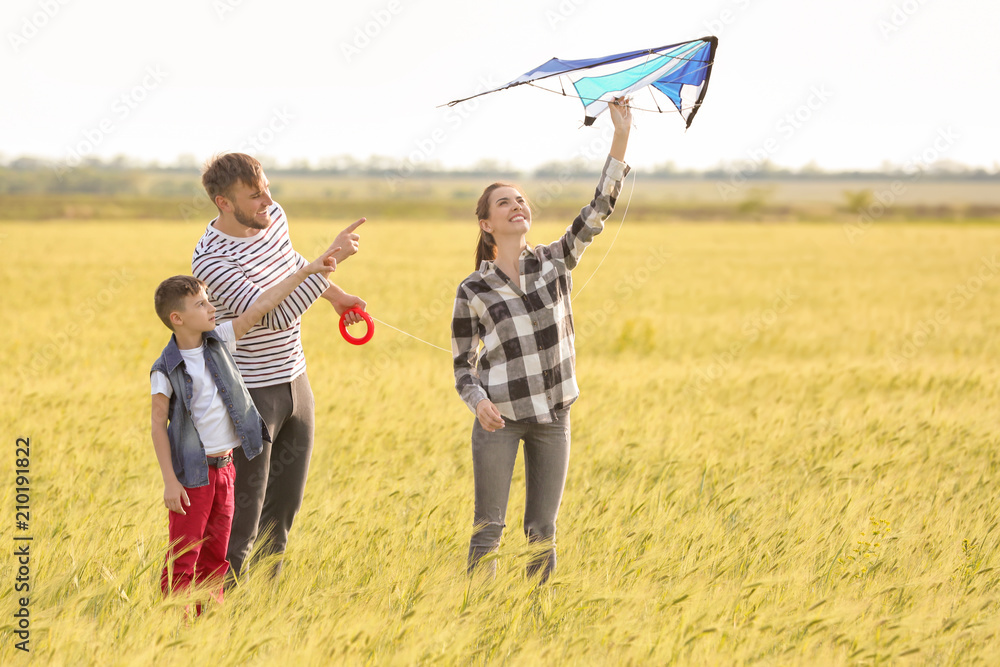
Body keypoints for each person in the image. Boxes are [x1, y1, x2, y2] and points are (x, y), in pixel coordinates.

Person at [451, 98, 632, 583]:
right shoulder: (473, 289)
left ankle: (537, 621)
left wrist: (620, 136)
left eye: (521, 200)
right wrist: (477, 402)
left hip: (555, 414)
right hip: (501, 419)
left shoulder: (555, 260)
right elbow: (462, 365)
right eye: (505, 202)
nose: (518, 206)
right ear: (487, 224)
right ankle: (476, 615)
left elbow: (599, 208)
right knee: (489, 527)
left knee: (542, 530)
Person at [191, 152, 367, 582]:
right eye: (254, 195)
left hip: (296, 382)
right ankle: (217, 619)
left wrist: (335, 293)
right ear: (224, 203)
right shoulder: (210, 261)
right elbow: (272, 313)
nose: (267, 200)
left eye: (267, 187)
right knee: (243, 521)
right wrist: (328, 263)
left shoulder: (274, 217)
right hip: (249, 396)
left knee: (284, 510)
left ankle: (268, 611)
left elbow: (291, 264)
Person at [151, 241, 343, 607]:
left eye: (209, 301)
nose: (212, 308)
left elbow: (261, 306)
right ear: (177, 318)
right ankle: (172, 628)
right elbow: (158, 426)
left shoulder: (220, 341)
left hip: (226, 470)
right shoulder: (166, 370)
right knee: (184, 556)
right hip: (193, 478)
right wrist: (170, 481)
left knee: (217, 557)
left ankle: (211, 622)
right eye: (202, 305)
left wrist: (306, 272)